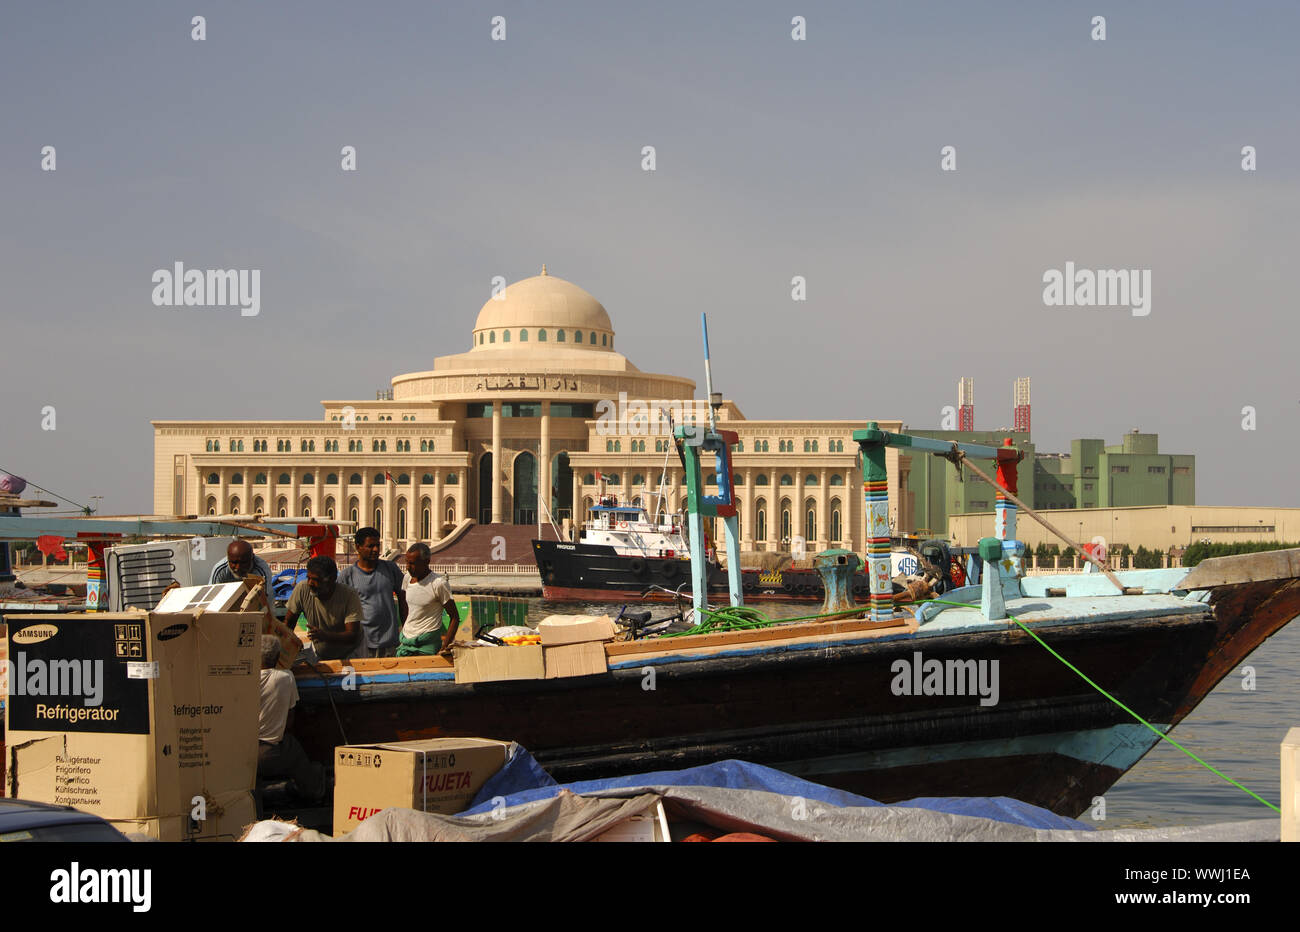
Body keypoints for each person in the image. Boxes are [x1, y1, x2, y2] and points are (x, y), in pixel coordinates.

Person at [257, 636, 326, 800]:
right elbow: (290, 720)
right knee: (293, 747)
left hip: (244, 753)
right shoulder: (285, 677)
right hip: (268, 752)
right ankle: (315, 792)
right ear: (277, 657)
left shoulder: (243, 677)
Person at [338, 528, 407, 658]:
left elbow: (404, 599)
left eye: (377, 545)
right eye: (370, 546)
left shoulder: (390, 569)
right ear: (358, 547)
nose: (375, 550)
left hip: (390, 644)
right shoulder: (347, 576)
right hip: (361, 645)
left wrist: (406, 630)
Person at [285, 555, 362, 661]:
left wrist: (325, 636)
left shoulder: (349, 595)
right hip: (319, 653)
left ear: (331, 580)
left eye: (316, 580)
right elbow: (288, 623)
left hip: (350, 653)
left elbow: (352, 635)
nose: (310, 583)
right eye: (308, 578)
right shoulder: (302, 589)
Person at [397, 542, 461, 657]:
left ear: (426, 562)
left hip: (427, 645)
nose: (407, 567)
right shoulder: (407, 578)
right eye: (407, 562)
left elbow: (455, 618)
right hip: (406, 641)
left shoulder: (438, 584)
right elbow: (406, 608)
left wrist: (444, 647)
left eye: (412, 563)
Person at [209, 538, 273, 587]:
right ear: (228, 559)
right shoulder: (220, 570)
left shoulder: (262, 571)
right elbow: (212, 595)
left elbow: (266, 599)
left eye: (243, 563)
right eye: (234, 562)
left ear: (252, 559)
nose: (238, 567)